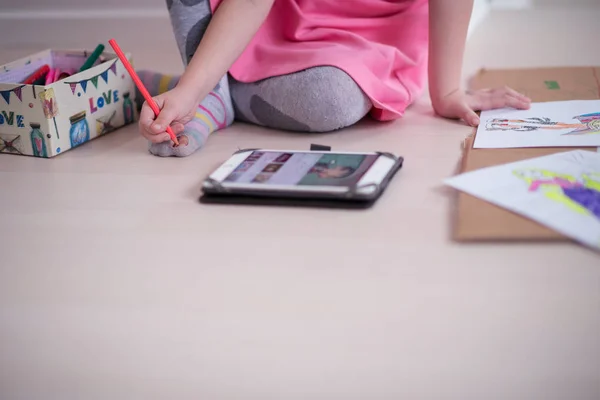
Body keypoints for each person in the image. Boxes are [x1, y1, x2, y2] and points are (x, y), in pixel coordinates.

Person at [138, 0, 532, 157]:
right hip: (272, 14)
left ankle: (216, 92)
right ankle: (206, 89)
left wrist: (445, 91)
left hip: (373, 36)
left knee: (329, 99)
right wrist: (193, 88)